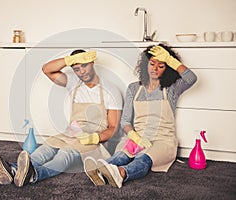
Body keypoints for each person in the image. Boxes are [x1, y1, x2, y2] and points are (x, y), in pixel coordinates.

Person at [0, 49, 123, 187]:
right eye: (76, 69)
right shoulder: (74, 83)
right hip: (72, 132)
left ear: (92, 62)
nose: (82, 72)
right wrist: (70, 60)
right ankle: (12, 170)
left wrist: (94, 138)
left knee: (64, 154)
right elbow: (47, 69)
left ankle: (34, 174)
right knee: (46, 149)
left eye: (84, 65)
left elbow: (113, 128)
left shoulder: (111, 91)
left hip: (94, 138)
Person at [84, 44, 197, 188]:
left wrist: (171, 60)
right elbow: (125, 120)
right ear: (145, 64)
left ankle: (121, 173)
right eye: (152, 63)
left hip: (163, 140)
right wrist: (134, 136)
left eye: (161, 65)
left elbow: (191, 78)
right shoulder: (134, 88)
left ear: (167, 67)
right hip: (138, 136)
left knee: (142, 158)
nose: (155, 69)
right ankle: (102, 171)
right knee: (122, 155)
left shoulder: (171, 89)